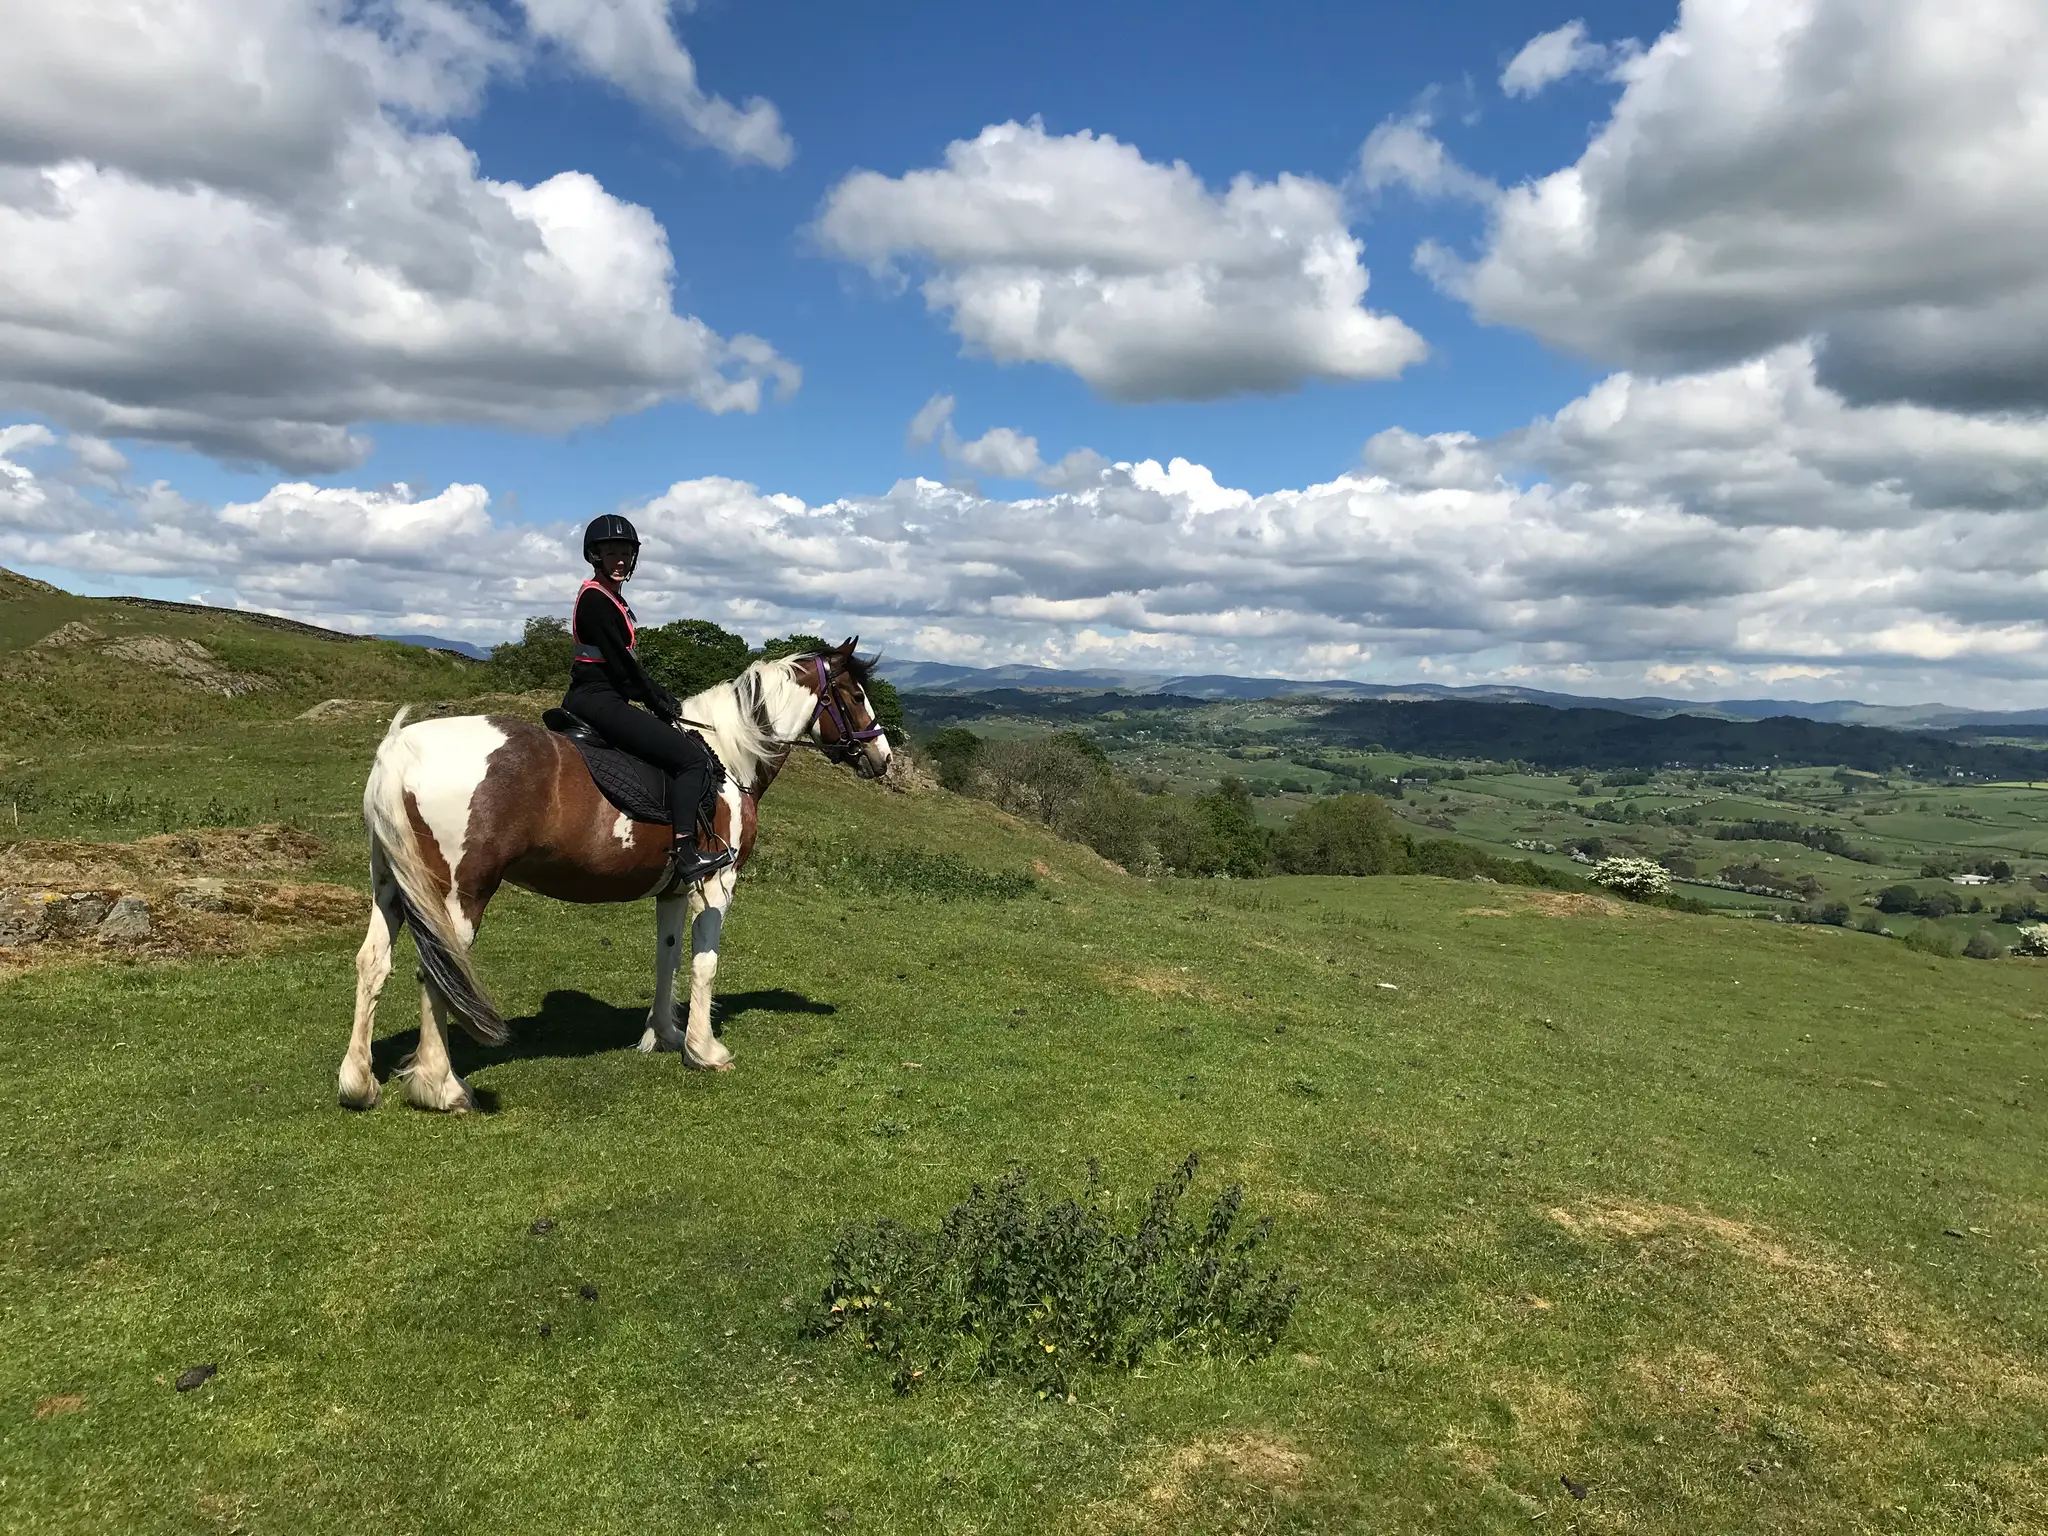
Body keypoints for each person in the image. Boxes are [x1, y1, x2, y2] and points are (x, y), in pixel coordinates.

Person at [562, 514, 735, 884]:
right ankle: (686, 853)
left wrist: (658, 694)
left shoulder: (608, 598)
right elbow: (624, 669)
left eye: (626, 553)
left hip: (600, 697)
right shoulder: (596, 600)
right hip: (599, 700)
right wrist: (657, 700)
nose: (620, 561)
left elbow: (627, 669)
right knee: (690, 760)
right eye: (611, 554)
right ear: (595, 556)